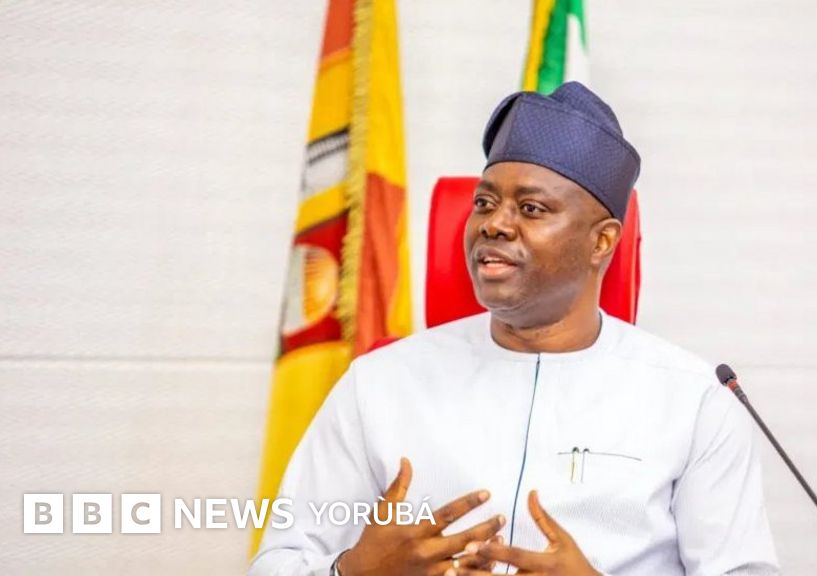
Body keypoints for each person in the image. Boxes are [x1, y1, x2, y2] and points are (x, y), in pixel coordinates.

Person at [249, 81, 780, 576]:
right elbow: (277, 561)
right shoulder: (380, 383)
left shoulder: (693, 402)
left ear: (601, 242)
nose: (495, 224)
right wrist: (350, 572)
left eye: (531, 208)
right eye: (485, 203)